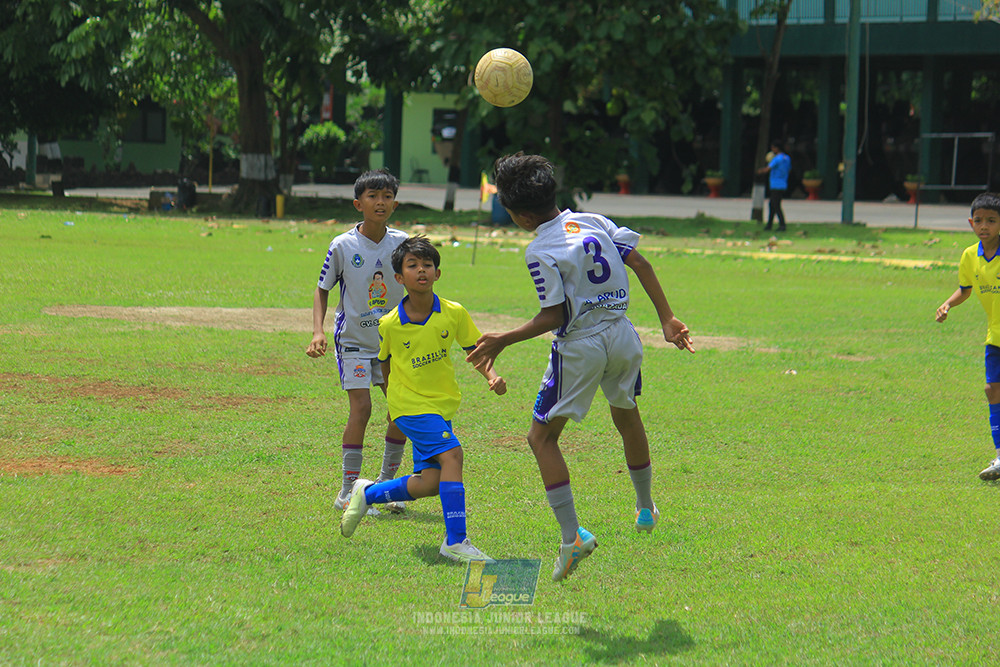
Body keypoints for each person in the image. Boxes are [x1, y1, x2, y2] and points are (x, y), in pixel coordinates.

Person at [466, 153, 695, 583]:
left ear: (522, 215)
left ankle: (572, 538)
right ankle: (645, 506)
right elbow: (640, 263)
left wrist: (502, 339)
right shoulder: (595, 221)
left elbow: (553, 316)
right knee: (626, 415)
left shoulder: (540, 249)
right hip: (624, 335)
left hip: (581, 346)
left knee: (540, 437)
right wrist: (666, 318)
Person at [340, 235, 507, 563]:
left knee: (431, 482)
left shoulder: (453, 313)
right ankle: (456, 541)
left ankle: (367, 493)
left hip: (440, 405)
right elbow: (385, 363)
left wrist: (491, 376)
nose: (421, 271)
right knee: (453, 456)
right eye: (412, 265)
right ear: (399, 278)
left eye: (427, 265)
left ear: (437, 273)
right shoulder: (390, 324)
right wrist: (394, 403)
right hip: (409, 407)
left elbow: (475, 351)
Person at [306, 169, 410, 516]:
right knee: (362, 408)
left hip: (392, 344)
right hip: (353, 340)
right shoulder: (343, 245)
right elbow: (323, 289)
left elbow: (418, 285)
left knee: (401, 412)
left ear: (395, 202)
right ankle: (348, 491)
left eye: (386, 196)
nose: (380, 202)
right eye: (372, 196)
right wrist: (318, 331)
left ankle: (381, 489)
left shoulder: (403, 243)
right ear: (358, 203)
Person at [936, 192, 1000, 480]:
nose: (984, 225)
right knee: (991, 390)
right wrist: (948, 303)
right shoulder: (969, 256)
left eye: (991, 220)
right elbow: (966, 289)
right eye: (979, 220)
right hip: (995, 335)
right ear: (971, 223)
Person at [758, 140, 791, 232]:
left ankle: (782, 225)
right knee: (772, 204)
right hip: (783, 183)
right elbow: (789, 170)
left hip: (775, 183)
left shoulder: (777, 159)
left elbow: (768, 169)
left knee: (776, 205)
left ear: (777, 148)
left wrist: (759, 171)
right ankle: (769, 225)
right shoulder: (787, 158)